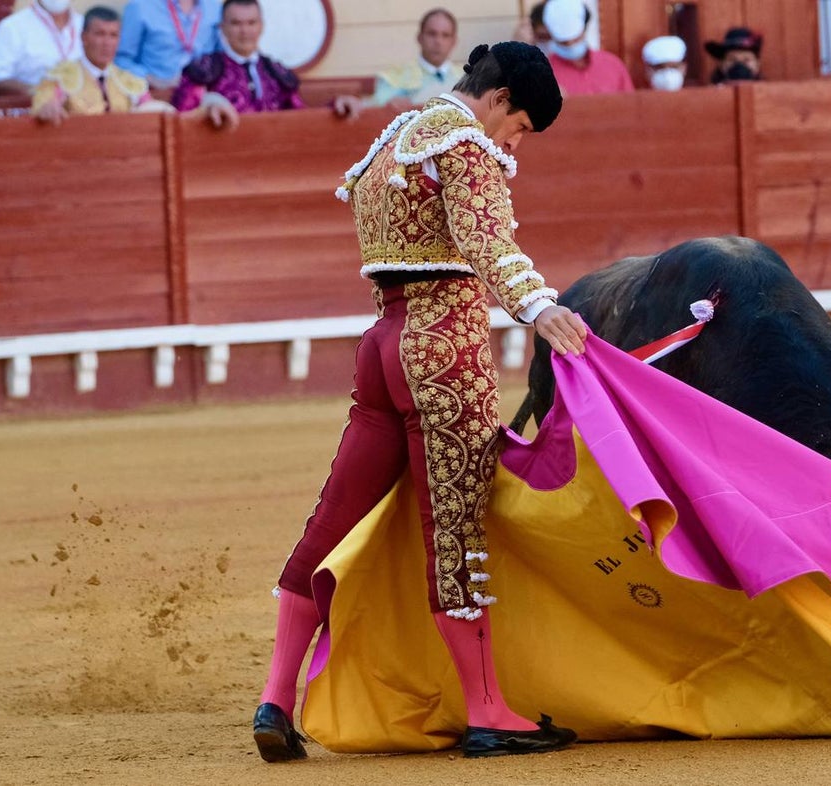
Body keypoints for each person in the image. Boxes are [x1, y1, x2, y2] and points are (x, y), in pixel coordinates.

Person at [252, 40, 588, 762]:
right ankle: (487, 709)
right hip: (443, 345)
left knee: (332, 520)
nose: (513, 142)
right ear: (500, 100)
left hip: (382, 343)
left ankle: (275, 699)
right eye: (521, 127)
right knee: (456, 529)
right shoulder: (466, 141)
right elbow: (483, 238)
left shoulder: (398, 138)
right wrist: (538, 306)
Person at [171, 0, 361, 131]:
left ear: (261, 26)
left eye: (251, 23)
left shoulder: (276, 72)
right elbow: (183, 115)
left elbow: (302, 117)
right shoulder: (204, 70)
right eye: (236, 23)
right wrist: (207, 108)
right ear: (223, 27)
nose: (244, 31)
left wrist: (335, 106)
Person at [31, 6, 173, 125]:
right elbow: (43, 105)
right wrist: (47, 108)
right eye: (100, 34)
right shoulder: (61, 77)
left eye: (113, 35)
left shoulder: (129, 80)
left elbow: (151, 108)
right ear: (84, 38)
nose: (107, 43)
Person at [362, 8, 461, 111]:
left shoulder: (466, 77)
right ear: (420, 38)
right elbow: (375, 105)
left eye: (445, 35)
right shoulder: (395, 76)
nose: (438, 41)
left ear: (454, 41)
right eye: (432, 34)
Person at [115, 0, 222, 90]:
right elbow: (121, 59)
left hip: (201, 97)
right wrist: (146, 79)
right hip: (153, 96)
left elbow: (221, 55)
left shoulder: (214, 8)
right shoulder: (140, 6)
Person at [0, 0, 84, 95]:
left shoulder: (85, 25)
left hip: (85, 109)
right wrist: (40, 93)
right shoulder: (11, 28)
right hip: (29, 110)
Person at [541, 0, 633, 95]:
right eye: (564, 43)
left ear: (584, 29)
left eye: (576, 39)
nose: (571, 46)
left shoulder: (612, 66)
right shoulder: (542, 74)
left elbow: (631, 105)